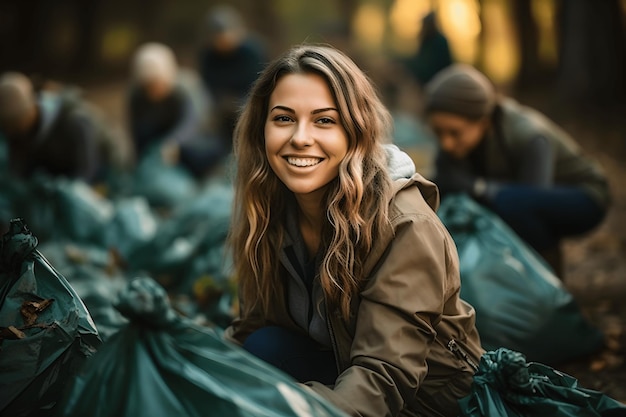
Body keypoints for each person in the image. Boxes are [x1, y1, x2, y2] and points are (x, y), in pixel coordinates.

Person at [224, 44, 484, 417]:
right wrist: (195, 374)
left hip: (423, 399)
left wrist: (285, 406)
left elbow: (384, 377)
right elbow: (252, 325)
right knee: (262, 347)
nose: (300, 137)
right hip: (342, 365)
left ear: (356, 132)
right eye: (283, 118)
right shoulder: (270, 209)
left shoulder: (405, 226)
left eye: (324, 120)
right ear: (261, 129)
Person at [423, 63, 611, 276]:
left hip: (584, 197)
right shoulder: (454, 147)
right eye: (438, 132)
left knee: (513, 204)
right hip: (524, 197)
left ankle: (547, 281)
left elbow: (530, 200)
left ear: (483, 123)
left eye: (455, 133)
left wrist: (479, 188)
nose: (446, 143)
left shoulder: (529, 135)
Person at [127, 42, 224, 178]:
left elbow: (193, 123)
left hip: (196, 140)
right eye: (148, 86)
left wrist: (173, 142)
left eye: (157, 84)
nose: (154, 91)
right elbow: (136, 130)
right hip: (161, 141)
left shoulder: (188, 87)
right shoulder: (136, 96)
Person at [0, 72, 112, 183]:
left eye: (14, 123)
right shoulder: (18, 134)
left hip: (101, 175)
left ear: (30, 112)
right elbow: (18, 171)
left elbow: (87, 169)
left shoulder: (74, 119)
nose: (10, 131)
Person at [197, 4, 268, 149]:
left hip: (250, 103)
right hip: (221, 107)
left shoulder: (252, 51)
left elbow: (261, 83)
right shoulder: (208, 56)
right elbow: (208, 85)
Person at [404, 11, 453, 89]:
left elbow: (443, 64)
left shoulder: (440, 41)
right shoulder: (425, 41)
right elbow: (420, 60)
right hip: (426, 83)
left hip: (439, 82)